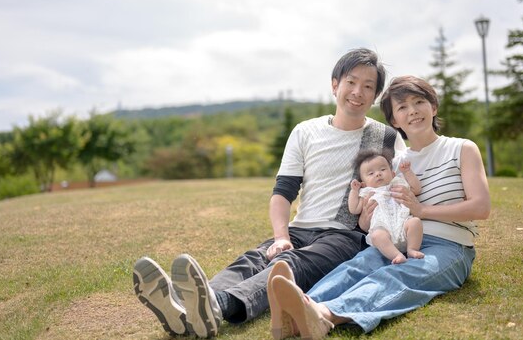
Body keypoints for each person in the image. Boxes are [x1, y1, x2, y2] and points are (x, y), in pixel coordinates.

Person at [132, 48, 407, 338]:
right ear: (335, 84)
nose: (357, 92)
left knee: (289, 265)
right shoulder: (305, 131)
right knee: (254, 258)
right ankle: (186, 307)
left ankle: (216, 306)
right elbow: (284, 191)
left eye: (368, 86)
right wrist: (281, 236)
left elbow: (401, 190)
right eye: (351, 82)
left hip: (346, 235)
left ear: (375, 95)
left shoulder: (387, 138)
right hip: (300, 227)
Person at [268, 75, 491, 339]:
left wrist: (423, 212)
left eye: (419, 102)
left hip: (448, 245)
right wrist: (366, 218)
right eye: (402, 107)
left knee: (398, 277)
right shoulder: (394, 163)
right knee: (358, 265)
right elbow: (373, 210)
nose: (413, 111)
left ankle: (324, 315)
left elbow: (481, 207)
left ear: (434, 106)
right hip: (396, 239)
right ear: (395, 121)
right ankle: (297, 309)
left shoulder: (461, 148)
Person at [347, 149, 423, 264]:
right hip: (383, 228)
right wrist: (354, 191)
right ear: (363, 183)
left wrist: (407, 172)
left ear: (392, 174)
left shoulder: (397, 183)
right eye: (371, 173)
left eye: (382, 169)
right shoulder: (367, 192)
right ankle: (397, 255)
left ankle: (412, 249)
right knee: (377, 236)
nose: (378, 174)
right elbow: (354, 209)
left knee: (415, 222)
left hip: (403, 223)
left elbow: (416, 189)